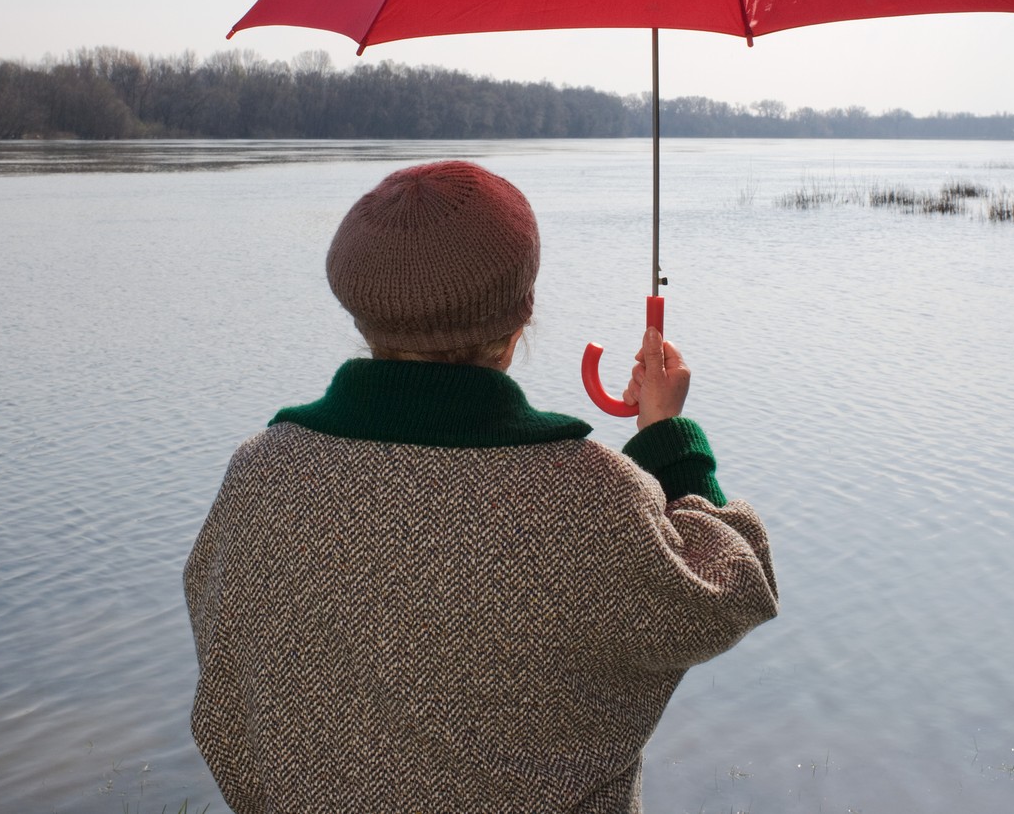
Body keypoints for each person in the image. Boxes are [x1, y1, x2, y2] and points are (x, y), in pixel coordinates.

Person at [184, 160, 777, 813]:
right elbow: (725, 591)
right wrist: (668, 438)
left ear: (361, 316)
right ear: (522, 313)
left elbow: (229, 698)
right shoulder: (588, 494)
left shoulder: (264, 477)